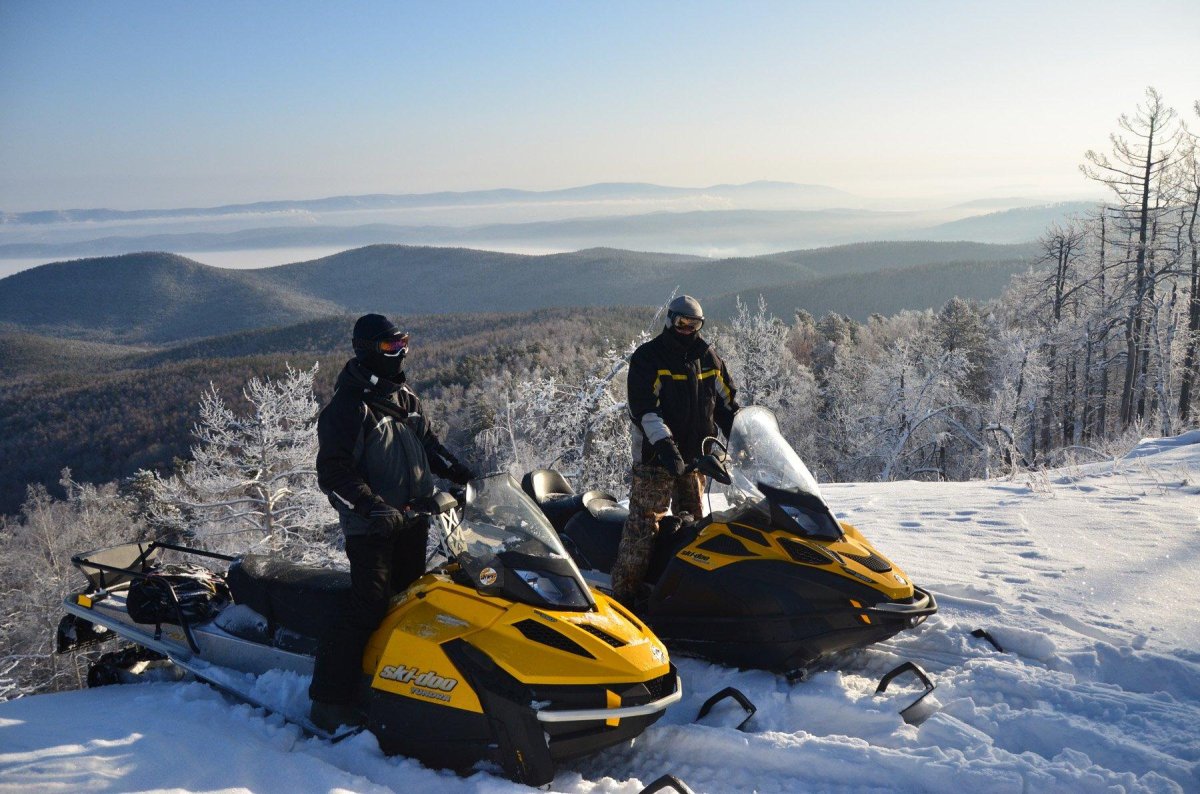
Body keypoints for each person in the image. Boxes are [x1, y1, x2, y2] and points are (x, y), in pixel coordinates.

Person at [308, 313, 474, 732]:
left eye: (404, 344)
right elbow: (333, 472)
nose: (399, 354)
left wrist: (467, 477)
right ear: (366, 351)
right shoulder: (348, 408)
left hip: (413, 520)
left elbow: (431, 448)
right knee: (369, 606)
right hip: (374, 529)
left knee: (408, 605)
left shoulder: (406, 400)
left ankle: (394, 682)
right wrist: (370, 507)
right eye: (389, 347)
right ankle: (328, 701)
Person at [610, 295, 739, 606]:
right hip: (657, 457)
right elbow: (644, 410)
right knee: (645, 523)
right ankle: (624, 594)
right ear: (670, 321)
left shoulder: (708, 358)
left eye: (694, 324)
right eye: (682, 322)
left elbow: (726, 403)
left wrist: (742, 434)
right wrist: (665, 446)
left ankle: (684, 592)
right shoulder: (649, 357)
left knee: (693, 525)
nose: (687, 329)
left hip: (697, 458)